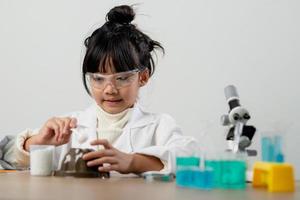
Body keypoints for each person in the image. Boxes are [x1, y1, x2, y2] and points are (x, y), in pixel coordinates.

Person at [5, 5, 198, 174]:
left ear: (143, 77)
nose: (110, 89)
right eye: (98, 78)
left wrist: (133, 162)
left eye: (121, 78)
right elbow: (8, 157)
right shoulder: (71, 128)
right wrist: (38, 142)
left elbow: (191, 157)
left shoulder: (159, 126)